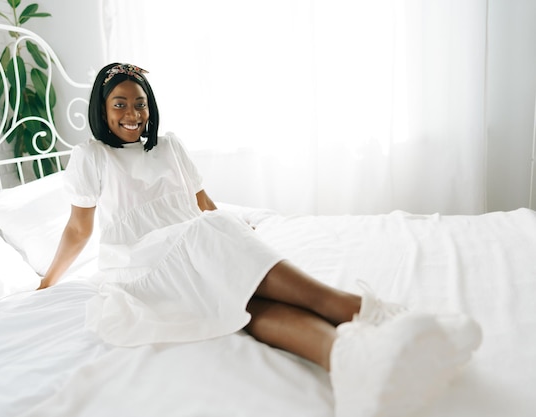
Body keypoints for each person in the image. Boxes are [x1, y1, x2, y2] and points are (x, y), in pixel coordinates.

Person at [38, 63, 481, 417]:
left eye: (140, 103)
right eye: (120, 104)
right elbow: (80, 229)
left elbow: (204, 204)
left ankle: (349, 360)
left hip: (191, 247)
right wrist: (47, 282)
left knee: (244, 304)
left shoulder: (168, 146)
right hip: (141, 268)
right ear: (102, 107)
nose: (133, 114)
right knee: (218, 245)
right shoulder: (91, 156)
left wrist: (234, 235)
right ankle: (369, 313)